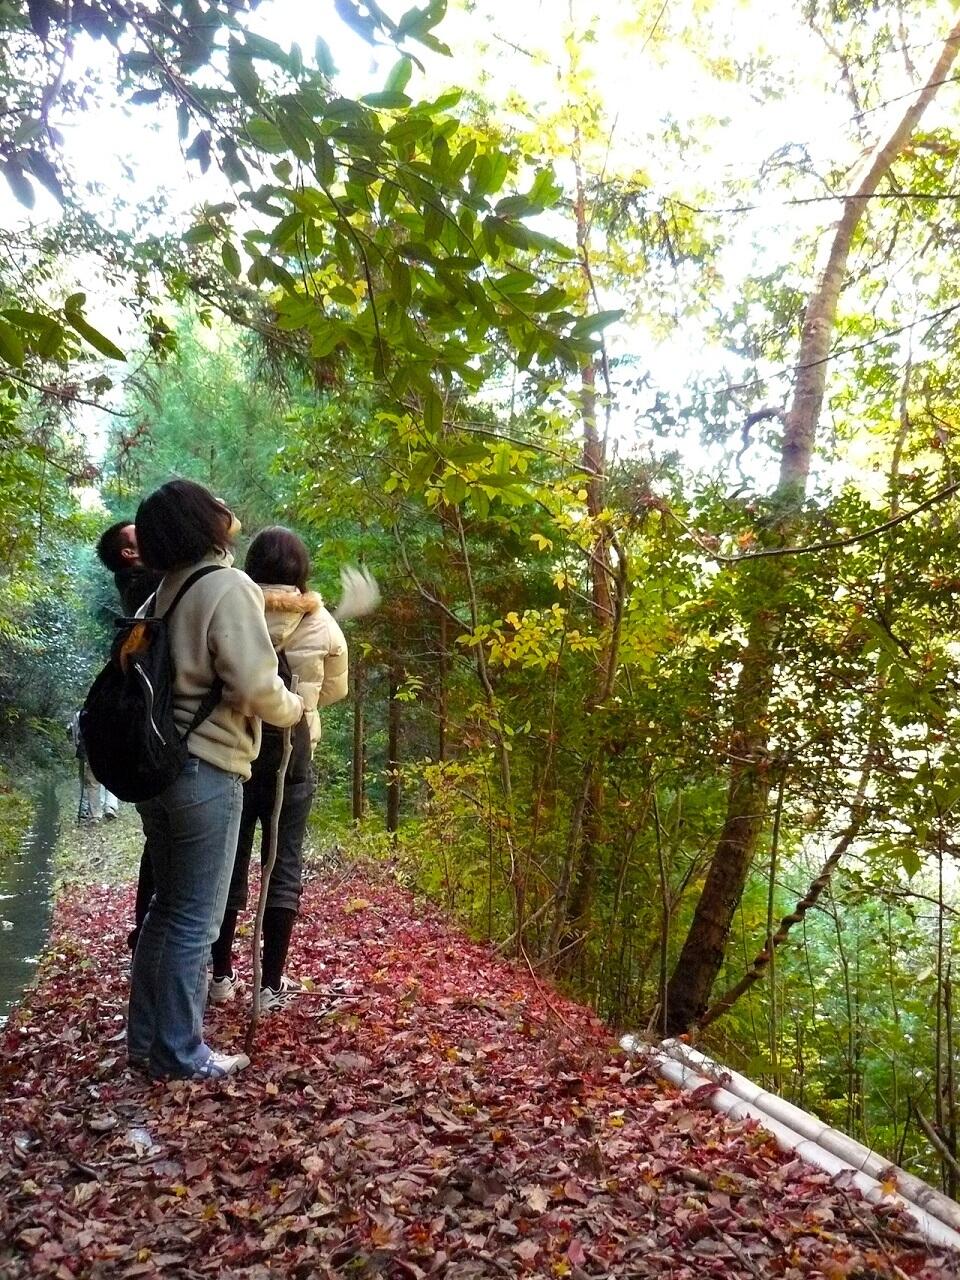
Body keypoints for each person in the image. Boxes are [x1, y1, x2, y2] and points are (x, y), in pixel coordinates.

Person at [127, 481, 304, 1080]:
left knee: (165, 910)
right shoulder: (225, 586)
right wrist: (294, 707)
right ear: (202, 521)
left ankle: (146, 1041)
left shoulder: (164, 590)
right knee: (194, 920)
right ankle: (179, 1052)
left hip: (160, 767)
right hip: (206, 766)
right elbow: (255, 687)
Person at [210, 527, 348, 1011]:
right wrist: (302, 702)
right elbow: (336, 689)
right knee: (282, 862)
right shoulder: (323, 622)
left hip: (235, 746)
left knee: (229, 858)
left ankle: (222, 974)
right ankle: (270, 985)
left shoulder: (236, 608)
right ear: (301, 570)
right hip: (294, 752)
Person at [96, 519, 164, 949]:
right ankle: (147, 932)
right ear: (129, 553)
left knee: (158, 845)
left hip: (150, 735)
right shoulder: (144, 584)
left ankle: (145, 931)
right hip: (157, 737)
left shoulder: (141, 580)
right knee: (161, 849)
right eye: (141, 531)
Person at [95, 519, 163, 616]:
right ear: (129, 553)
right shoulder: (147, 587)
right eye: (139, 533)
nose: (149, 532)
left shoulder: (132, 591)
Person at [68, 711, 119, 823]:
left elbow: (76, 735)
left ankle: (95, 814)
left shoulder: (79, 714)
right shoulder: (110, 711)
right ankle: (110, 807)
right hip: (110, 751)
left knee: (93, 783)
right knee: (111, 780)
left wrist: (80, 749)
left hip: (92, 752)